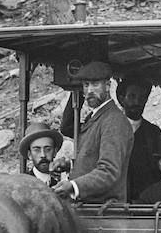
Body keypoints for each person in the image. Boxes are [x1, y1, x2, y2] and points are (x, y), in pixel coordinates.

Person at [56, 61, 133, 203]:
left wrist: (73, 185)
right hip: (92, 209)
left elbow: (109, 171)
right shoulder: (96, 117)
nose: (90, 90)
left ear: (108, 86)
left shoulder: (114, 121)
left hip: (104, 213)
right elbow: (67, 127)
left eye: (95, 84)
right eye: (86, 85)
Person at [116, 76, 161, 202]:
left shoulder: (153, 133)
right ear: (122, 99)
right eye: (132, 96)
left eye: (142, 98)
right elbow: (68, 128)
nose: (137, 102)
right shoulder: (110, 128)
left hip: (145, 205)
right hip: (115, 202)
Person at [19, 122, 68, 188]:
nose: (43, 155)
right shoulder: (23, 185)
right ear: (29, 154)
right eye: (37, 150)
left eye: (48, 149)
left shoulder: (61, 184)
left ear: (55, 152)